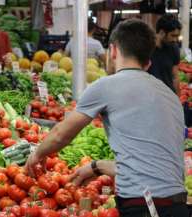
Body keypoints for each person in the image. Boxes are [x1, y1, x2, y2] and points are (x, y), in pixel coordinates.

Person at [25, 19, 188, 217]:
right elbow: (150, 165)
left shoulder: (107, 86)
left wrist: (36, 155)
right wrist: (96, 167)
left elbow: (61, 135)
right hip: (178, 205)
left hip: (144, 205)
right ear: (148, 60)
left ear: (113, 50)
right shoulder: (170, 96)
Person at [148, 14, 182, 94]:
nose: (175, 40)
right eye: (173, 36)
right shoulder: (146, 48)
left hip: (168, 95)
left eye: (177, 36)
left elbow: (175, 77)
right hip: (150, 95)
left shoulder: (174, 48)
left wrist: (177, 100)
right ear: (162, 32)